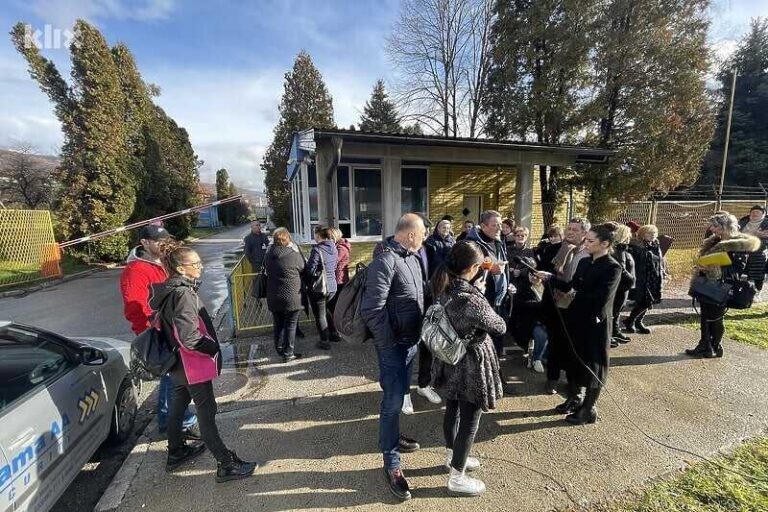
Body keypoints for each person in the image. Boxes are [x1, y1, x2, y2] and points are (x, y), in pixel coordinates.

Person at [150, 244, 257, 482]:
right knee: (206, 414)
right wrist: (212, 348)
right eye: (195, 264)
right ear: (180, 268)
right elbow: (189, 337)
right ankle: (225, 464)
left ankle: (176, 451)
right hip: (192, 366)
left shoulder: (170, 289)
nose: (201, 267)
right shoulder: (184, 294)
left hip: (177, 364)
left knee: (178, 406)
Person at [360, 213, 427, 501]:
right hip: (394, 347)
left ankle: (393, 436)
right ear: (410, 234)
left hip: (411, 343)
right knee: (391, 402)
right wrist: (389, 346)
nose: (424, 239)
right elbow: (371, 310)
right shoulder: (386, 260)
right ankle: (392, 462)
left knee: (399, 397)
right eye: (422, 233)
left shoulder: (411, 257)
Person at [430, 241, 505, 497]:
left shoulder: (444, 287)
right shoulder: (471, 300)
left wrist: (476, 290)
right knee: (470, 421)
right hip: (470, 364)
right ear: (473, 267)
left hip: (449, 358)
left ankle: (453, 458)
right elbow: (499, 326)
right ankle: (457, 477)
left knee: (452, 409)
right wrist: (480, 295)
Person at [537, 223, 622, 425]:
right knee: (574, 360)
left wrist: (576, 294)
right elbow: (571, 286)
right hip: (575, 319)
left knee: (593, 365)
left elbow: (600, 298)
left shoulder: (612, 267)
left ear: (605, 244)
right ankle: (574, 398)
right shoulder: (585, 263)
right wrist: (549, 278)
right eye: (586, 240)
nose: (586, 244)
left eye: (590, 241)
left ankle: (588, 409)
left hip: (595, 324)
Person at [119, 225, 198, 439]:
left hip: (175, 329)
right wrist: (152, 332)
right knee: (173, 378)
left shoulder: (164, 262)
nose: (162, 244)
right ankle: (172, 421)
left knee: (176, 377)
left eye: (165, 240)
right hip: (160, 332)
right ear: (144, 242)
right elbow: (135, 308)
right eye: (157, 241)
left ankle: (175, 418)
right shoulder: (136, 271)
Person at [686, 213, 760, 358]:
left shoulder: (738, 244)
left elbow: (738, 268)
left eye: (716, 226)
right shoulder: (714, 241)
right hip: (707, 284)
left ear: (726, 227)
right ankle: (706, 345)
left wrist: (713, 268)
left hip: (722, 286)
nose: (712, 229)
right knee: (705, 316)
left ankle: (714, 346)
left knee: (715, 317)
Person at [539, 218, 591, 399]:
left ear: (584, 233)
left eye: (575, 230)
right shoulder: (555, 249)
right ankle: (551, 378)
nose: (570, 232)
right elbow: (543, 269)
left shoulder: (589, 254)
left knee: (573, 346)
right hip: (555, 304)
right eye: (568, 229)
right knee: (555, 343)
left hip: (575, 307)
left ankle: (572, 382)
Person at [465, 211, 512, 359]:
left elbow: (502, 267)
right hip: (482, 301)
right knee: (482, 344)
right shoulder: (472, 244)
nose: (499, 228)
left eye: (500, 224)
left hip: (499, 301)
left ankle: (496, 372)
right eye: (495, 225)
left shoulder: (498, 241)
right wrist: (491, 269)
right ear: (484, 226)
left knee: (497, 339)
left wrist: (507, 284)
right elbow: (466, 270)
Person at [265, 228, 306, 362]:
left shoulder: (269, 254)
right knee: (291, 324)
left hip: (274, 296)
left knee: (278, 324)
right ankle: (288, 353)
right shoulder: (293, 255)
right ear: (288, 239)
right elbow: (303, 267)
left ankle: (279, 349)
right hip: (292, 297)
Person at [624, 225, 663, 334]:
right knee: (644, 301)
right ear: (642, 234)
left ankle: (637, 321)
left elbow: (660, 261)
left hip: (654, 277)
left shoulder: (655, 245)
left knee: (649, 301)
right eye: (649, 233)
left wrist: (663, 272)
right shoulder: (635, 246)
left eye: (654, 233)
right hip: (641, 278)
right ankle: (631, 320)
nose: (653, 235)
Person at [305, 226, 339, 349]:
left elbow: (310, 270)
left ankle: (324, 341)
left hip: (320, 287)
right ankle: (334, 334)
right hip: (332, 286)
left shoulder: (317, 250)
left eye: (314, 234)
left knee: (320, 315)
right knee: (328, 311)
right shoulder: (334, 247)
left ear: (318, 235)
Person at [609, 224, 636, 347]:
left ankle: (615, 331)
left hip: (624, 286)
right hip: (620, 286)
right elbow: (621, 268)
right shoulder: (618, 249)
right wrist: (631, 279)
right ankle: (609, 334)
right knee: (613, 311)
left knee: (618, 310)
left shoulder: (624, 249)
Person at [738, 205, 768, 293]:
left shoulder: (766, 223)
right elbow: (736, 233)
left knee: (758, 257)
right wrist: (754, 234)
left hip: (759, 247)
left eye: (757, 212)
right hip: (741, 245)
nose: (754, 214)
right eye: (753, 212)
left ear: (763, 214)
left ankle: (756, 285)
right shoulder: (743, 221)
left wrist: (750, 235)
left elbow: (765, 237)